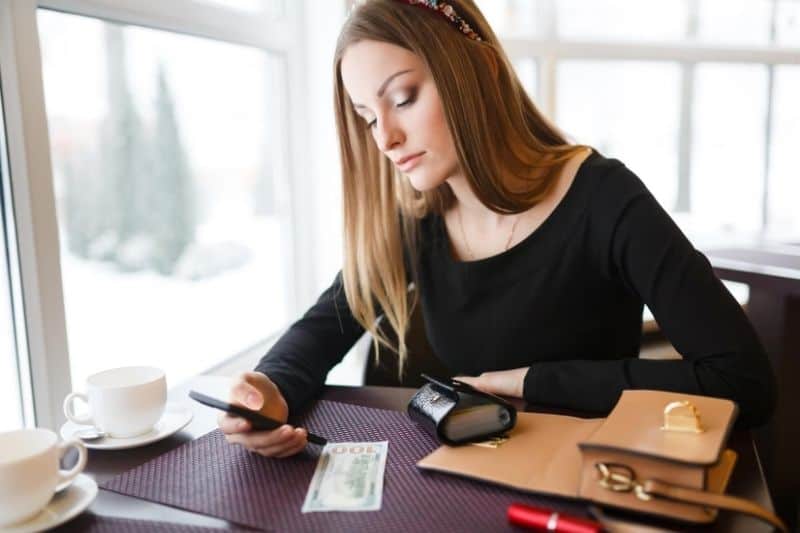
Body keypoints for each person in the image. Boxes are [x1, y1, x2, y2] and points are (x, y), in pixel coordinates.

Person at [218, 0, 775, 458]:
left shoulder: (606, 198)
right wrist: (267, 391)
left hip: (582, 481)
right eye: (367, 117)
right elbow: (320, 331)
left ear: (475, 72)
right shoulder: (418, 220)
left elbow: (743, 383)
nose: (384, 137)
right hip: (460, 482)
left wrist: (532, 382)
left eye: (404, 99)